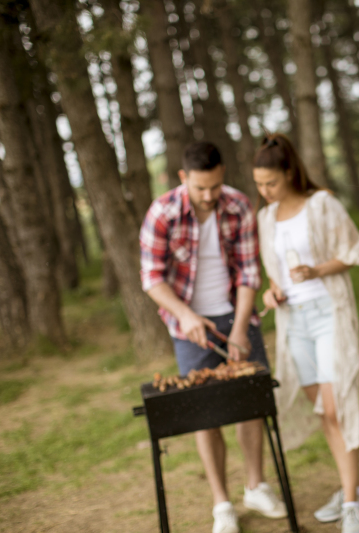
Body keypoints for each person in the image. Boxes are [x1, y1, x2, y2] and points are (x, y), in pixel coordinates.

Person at [140, 142, 286, 533]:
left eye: (215, 187)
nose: (209, 196)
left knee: (250, 402)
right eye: (201, 188)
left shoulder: (238, 205)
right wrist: (186, 315)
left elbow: (248, 272)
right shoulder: (162, 212)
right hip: (188, 325)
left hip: (236, 314)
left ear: (223, 175)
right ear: (184, 178)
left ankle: (256, 485)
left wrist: (240, 328)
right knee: (206, 412)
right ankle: (222, 504)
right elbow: (151, 278)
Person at [252, 134, 359, 533]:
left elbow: (355, 249)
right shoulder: (265, 218)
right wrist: (272, 290)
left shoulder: (321, 204)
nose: (264, 191)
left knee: (336, 408)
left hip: (327, 313)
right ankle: (351, 483)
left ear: (288, 173)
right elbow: (273, 271)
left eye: (270, 183)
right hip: (293, 321)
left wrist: (316, 270)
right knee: (324, 411)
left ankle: (352, 502)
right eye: (259, 185)